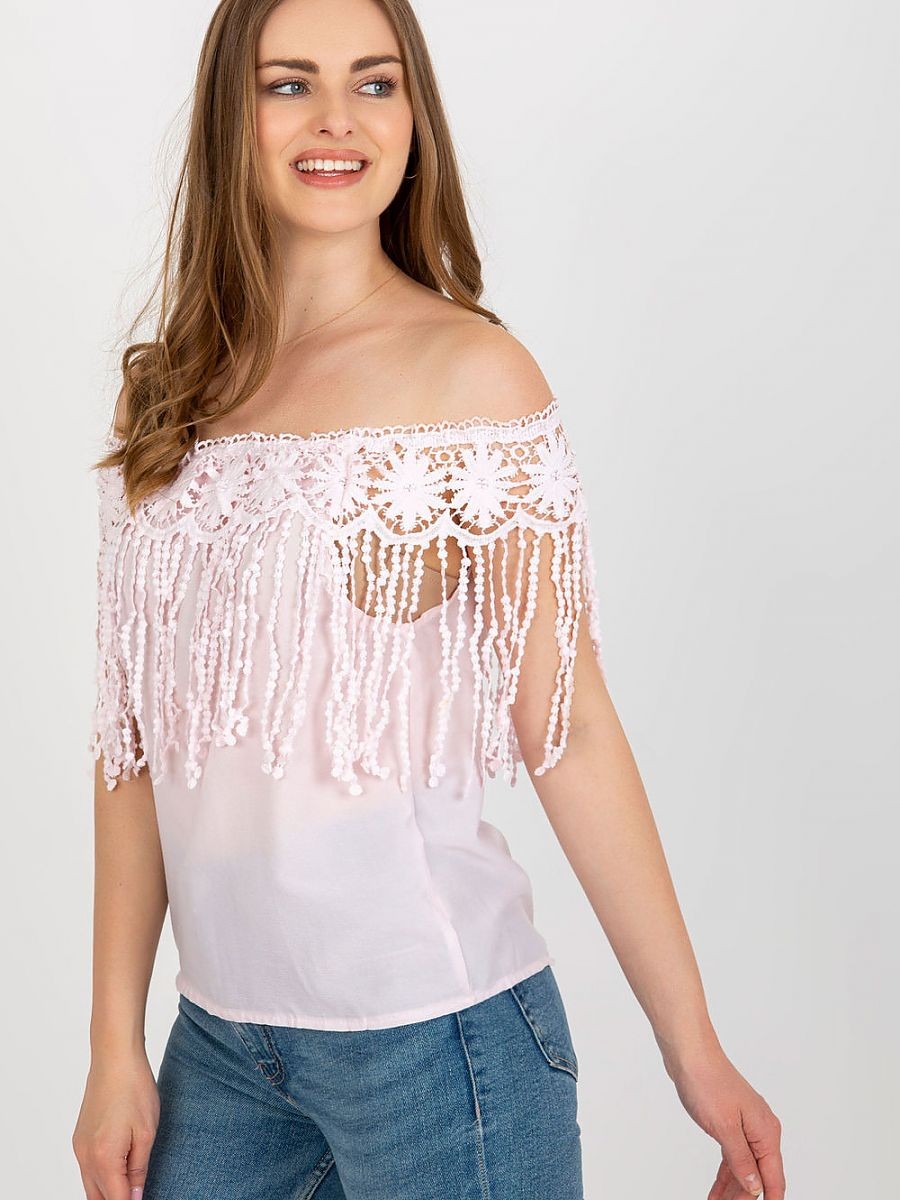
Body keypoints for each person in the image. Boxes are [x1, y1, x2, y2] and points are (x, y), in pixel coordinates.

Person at [71, 0, 785, 1197]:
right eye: (288, 84)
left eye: (375, 83)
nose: (337, 119)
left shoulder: (471, 377)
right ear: (231, 115)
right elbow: (130, 747)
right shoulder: (172, 395)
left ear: (415, 119)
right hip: (221, 1052)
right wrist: (112, 1049)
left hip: (438, 1046)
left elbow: (569, 725)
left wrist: (692, 1049)